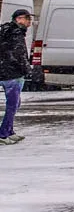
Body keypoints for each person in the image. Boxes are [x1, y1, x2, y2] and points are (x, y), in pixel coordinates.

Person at [0, 8, 28, 145]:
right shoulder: (16, 33)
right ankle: (3, 133)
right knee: (13, 105)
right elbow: (19, 55)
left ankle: (9, 131)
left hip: (6, 71)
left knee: (15, 104)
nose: (29, 22)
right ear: (18, 19)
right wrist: (26, 69)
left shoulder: (6, 31)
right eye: (26, 18)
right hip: (13, 74)